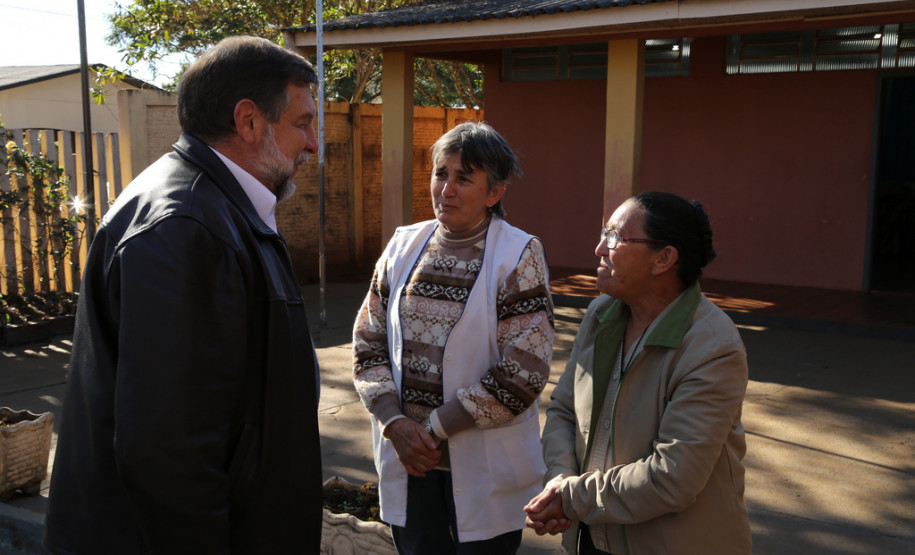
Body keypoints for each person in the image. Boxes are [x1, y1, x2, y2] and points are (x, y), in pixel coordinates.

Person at [44, 36, 324, 554]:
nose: (313, 144)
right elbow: (168, 454)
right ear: (249, 121)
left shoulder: (214, 209)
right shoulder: (187, 227)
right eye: (303, 123)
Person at [352, 121, 555, 554]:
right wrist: (394, 423)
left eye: (464, 178)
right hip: (412, 466)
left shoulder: (517, 255)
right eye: (441, 173)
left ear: (494, 193)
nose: (446, 189)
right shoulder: (403, 246)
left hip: (483, 471)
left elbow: (524, 371)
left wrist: (431, 430)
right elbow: (368, 341)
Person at [525, 191, 752, 554]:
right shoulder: (601, 315)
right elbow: (564, 412)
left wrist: (569, 497)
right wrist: (560, 481)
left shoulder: (712, 346)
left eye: (615, 237)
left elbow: (672, 477)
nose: (600, 248)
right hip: (592, 539)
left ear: (664, 259)